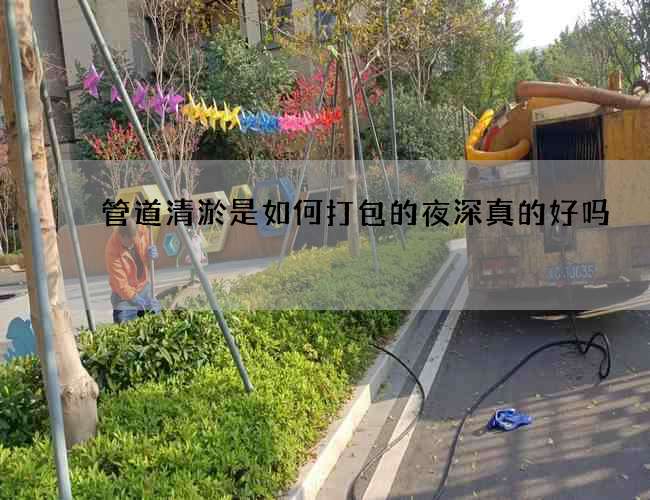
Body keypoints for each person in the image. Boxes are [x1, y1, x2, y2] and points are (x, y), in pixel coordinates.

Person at [106, 215, 160, 324]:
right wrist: (135, 299)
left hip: (144, 287)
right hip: (123, 296)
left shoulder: (142, 232)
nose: (132, 244)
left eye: (133, 240)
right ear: (121, 236)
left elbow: (147, 260)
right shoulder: (112, 250)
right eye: (129, 241)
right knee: (122, 320)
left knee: (156, 313)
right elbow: (121, 284)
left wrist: (152, 255)